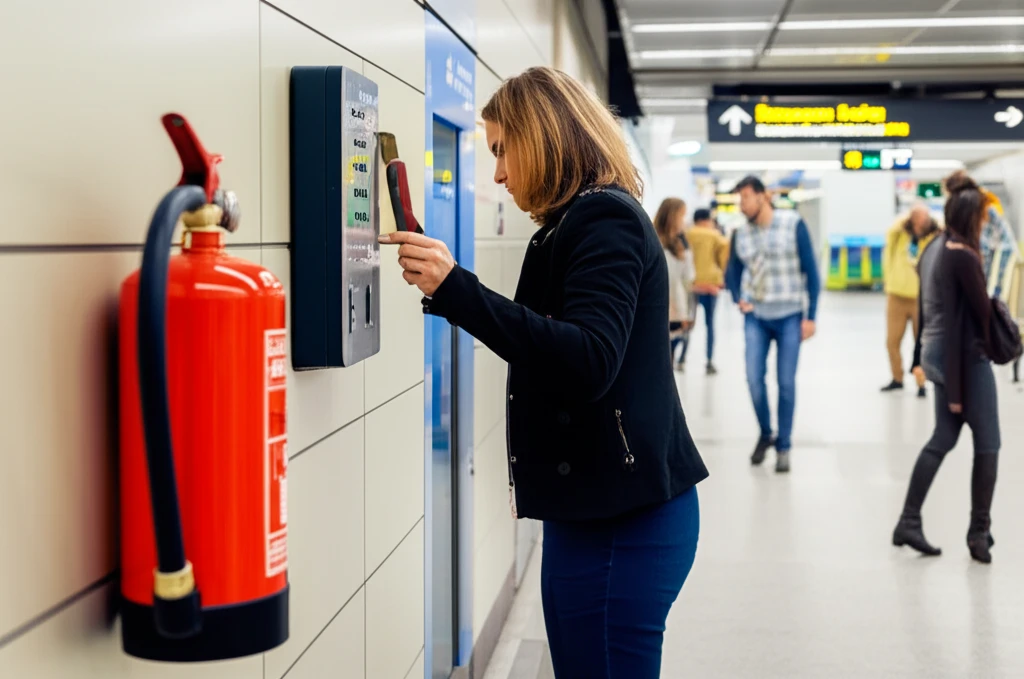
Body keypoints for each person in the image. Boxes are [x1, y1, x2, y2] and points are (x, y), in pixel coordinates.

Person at [379, 66, 708, 677]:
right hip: (593, 510)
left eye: (502, 150)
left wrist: (456, 290)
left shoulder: (603, 220)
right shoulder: (573, 224)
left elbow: (588, 360)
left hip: (624, 523)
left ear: (543, 138)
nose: (498, 174)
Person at [893, 172, 1000, 564]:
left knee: (944, 436)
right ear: (971, 216)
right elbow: (969, 320)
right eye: (983, 217)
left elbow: (928, 311)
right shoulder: (961, 254)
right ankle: (978, 532)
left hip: (938, 354)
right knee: (988, 443)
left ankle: (908, 520)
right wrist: (956, 386)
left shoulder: (933, 248)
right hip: (963, 358)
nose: (985, 223)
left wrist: (920, 358)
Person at [725, 176, 820, 473]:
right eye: (739, 199)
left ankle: (784, 446)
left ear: (762, 196)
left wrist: (811, 316)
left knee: (786, 383)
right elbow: (731, 271)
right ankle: (766, 433)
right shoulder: (740, 233)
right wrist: (739, 298)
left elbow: (811, 271)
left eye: (745, 198)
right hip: (756, 317)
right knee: (754, 380)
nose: (741, 205)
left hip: (790, 315)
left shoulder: (793, 224)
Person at [881, 203, 940, 397]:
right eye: (917, 218)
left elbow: (942, 230)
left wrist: (930, 223)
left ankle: (921, 383)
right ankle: (897, 378)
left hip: (920, 298)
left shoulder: (932, 238)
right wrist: (906, 220)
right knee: (892, 341)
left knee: (920, 342)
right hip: (896, 295)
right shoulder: (900, 236)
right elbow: (890, 232)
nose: (921, 222)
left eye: (924, 218)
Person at [687, 208, 730, 375]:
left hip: (691, 284)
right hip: (711, 284)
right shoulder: (715, 236)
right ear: (705, 220)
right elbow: (724, 257)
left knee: (687, 321)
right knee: (710, 323)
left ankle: (680, 357)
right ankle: (709, 361)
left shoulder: (687, 234)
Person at [654, 198, 696, 371]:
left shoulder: (679, 245)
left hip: (674, 310)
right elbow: (687, 278)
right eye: (682, 216)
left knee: (666, 361)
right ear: (672, 217)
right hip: (665, 310)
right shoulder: (659, 245)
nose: (684, 221)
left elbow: (687, 279)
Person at [979, 190, 1017, 298]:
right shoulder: (986, 211)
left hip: (1004, 247)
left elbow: (986, 238)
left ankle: (995, 298)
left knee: (999, 278)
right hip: (996, 246)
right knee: (987, 274)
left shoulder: (989, 211)